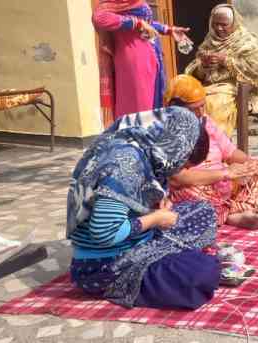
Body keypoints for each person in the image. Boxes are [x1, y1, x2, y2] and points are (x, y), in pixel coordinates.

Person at [67, 107, 220, 310]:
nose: (184, 170)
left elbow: (135, 199)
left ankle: (172, 258)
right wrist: (156, 218)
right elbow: (104, 233)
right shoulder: (124, 163)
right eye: (185, 164)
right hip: (105, 264)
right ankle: (150, 272)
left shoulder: (144, 148)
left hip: (136, 237)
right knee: (201, 273)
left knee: (203, 211)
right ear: (177, 148)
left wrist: (158, 204)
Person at [164, 75, 258, 229]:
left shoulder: (205, 121)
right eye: (193, 109)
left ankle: (232, 212)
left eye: (202, 106)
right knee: (186, 194)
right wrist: (225, 173)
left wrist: (250, 164)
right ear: (176, 108)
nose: (200, 112)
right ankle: (232, 215)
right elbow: (177, 179)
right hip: (197, 187)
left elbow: (230, 152)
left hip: (222, 185)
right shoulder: (167, 131)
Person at [92, 0, 191, 125]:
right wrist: (136, 23)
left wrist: (168, 30)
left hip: (149, 56)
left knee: (152, 102)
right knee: (139, 104)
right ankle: (136, 139)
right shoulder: (115, 2)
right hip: (134, 60)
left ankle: (149, 138)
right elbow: (99, 17)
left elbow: (147, 23)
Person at [185, 3, 258, 137]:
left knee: (213, 103)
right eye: (215, 24)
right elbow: (196, 71)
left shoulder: (247, 41)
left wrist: (226, 60)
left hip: (238, 88)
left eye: (223, 24)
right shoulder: (209, 40)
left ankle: (216, 146)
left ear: (234, 23)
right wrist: (203, 65)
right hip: (209, 86)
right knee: (186, 99)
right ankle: (194, 146)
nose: (218, 28)